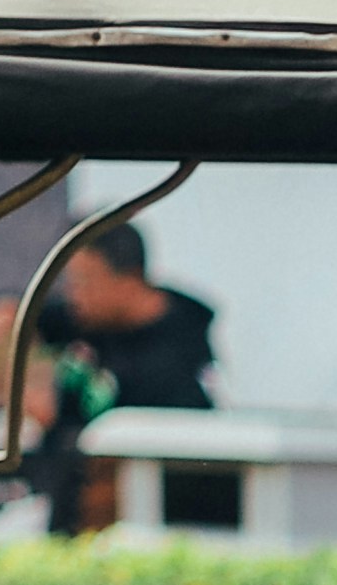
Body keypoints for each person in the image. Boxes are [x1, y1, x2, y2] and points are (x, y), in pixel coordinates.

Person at [25, 212, 220, 533]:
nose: (73, 295)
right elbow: (5, 322)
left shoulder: (175, 363)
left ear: (127, 279)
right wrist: (32, 378)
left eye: (83, 282)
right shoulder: (91, 319)